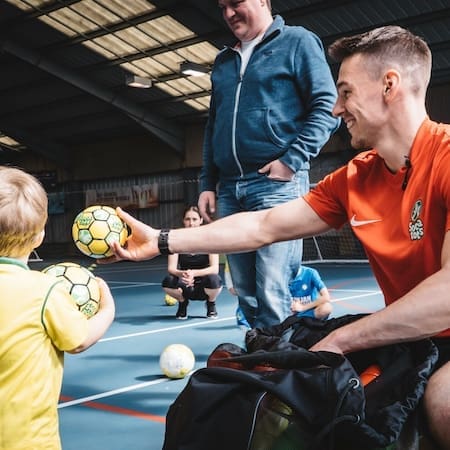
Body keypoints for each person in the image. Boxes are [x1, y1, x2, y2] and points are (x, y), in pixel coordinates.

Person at [103, 25, 450, 448]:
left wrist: (342, 338)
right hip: (412, 339)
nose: (337, 108)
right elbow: (262, 225)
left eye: (345, 92)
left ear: (389, 85)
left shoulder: (447, 158)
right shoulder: (356, 177)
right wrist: (161, 240)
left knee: (443, 401)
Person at [198, 0, 340, 328]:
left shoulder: (297, 42)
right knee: (246, 292)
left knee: (273, 288)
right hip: (231, 189)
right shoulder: (223, 61)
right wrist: (207, 182)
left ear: (263, 1)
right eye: (223, 7)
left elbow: (327, 106)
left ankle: (281, 369)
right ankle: (262, 358)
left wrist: (290, 161)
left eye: (237, 3)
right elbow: (213, 125)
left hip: (276, 184)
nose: (229, 13)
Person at [0, 166, 116, 450]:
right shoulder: (45, 291)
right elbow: (79, 341)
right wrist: (107, 311)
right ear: (40, 236)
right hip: (28, 440)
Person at [161, 206, 222, 320]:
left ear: (200, 220)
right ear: (183, 221)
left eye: (194, 219)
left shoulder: (209, 240)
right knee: (168, 281)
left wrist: (194, 273)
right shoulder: (176, 241)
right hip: (185, 283)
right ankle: (183, 303)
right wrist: (185, 274)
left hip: (204, 284)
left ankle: (211, 303)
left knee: (215, 280)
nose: (191, 223)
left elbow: (214, 269)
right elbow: (171, 268)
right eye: (187, 219)